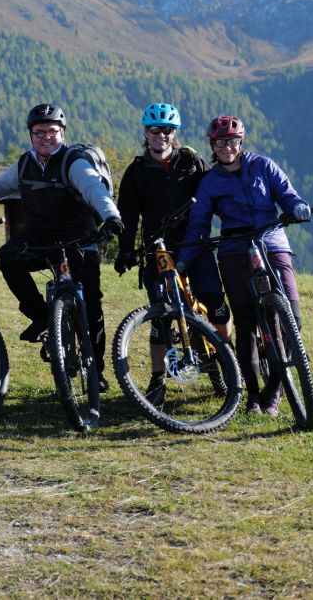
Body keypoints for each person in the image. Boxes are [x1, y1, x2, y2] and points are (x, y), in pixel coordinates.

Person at [0, 104, 123, 386]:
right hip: (42, 239)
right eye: (39, 132)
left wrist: (111, 215)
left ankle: (97, 370)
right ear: (30, 134)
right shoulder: (24, 164)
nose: (45, 137)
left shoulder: (73, 161)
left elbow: (94, 188)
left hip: (79, 239)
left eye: (52, 131)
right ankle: (42, 317)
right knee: (7, 257)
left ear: (63, 132)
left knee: (91, 306)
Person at [176, 115, 312, 415]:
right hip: (234, 249)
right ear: (213, 145)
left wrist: (297, 207)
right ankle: (252, 397)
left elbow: (287, 195)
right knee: (246, 324)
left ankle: (274, 390)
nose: (228, 147)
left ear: (242, 141)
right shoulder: (210, 181)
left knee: (293, 318)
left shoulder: (263, 166)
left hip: (272, 240)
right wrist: (184, 259)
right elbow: (199, 224)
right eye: (221, 142)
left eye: (233, 141)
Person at [114, 103, 231, 401]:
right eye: (155, 130)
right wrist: (126, 250)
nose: (161, 136)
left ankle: (228, 364)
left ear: (174, 133)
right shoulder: (137, 172)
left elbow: (213, 194)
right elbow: (128, 215)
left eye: (166, 130)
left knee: (216, 304)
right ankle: (158, 380)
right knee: (161, 317)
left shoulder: (191, 161)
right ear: (145, 132)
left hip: (194, 244)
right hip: (158, 251)